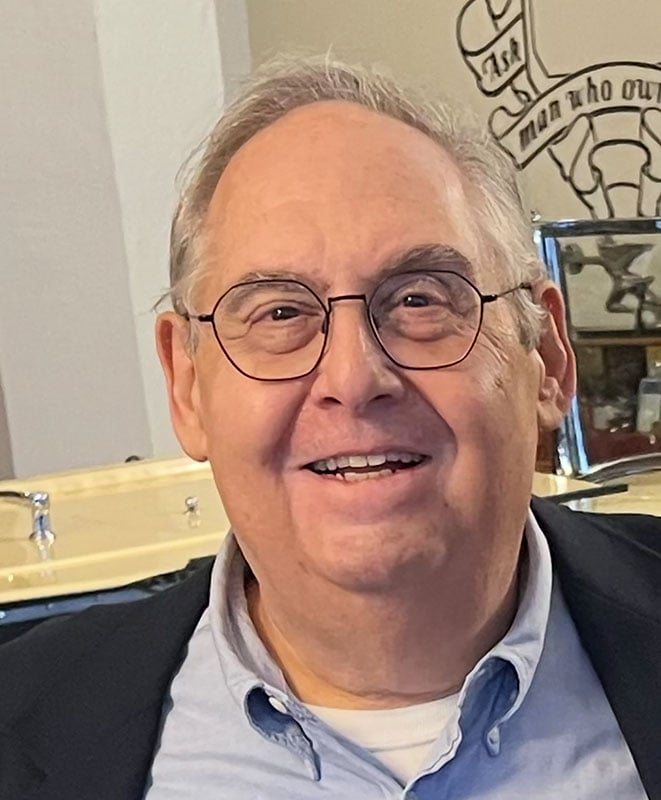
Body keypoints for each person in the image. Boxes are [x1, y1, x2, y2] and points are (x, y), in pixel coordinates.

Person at [1, 57, 660, 800]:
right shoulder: (22, 719)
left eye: (418, 300)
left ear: (544, 358)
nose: (352, 379)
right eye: (278, 312)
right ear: (186, 385)